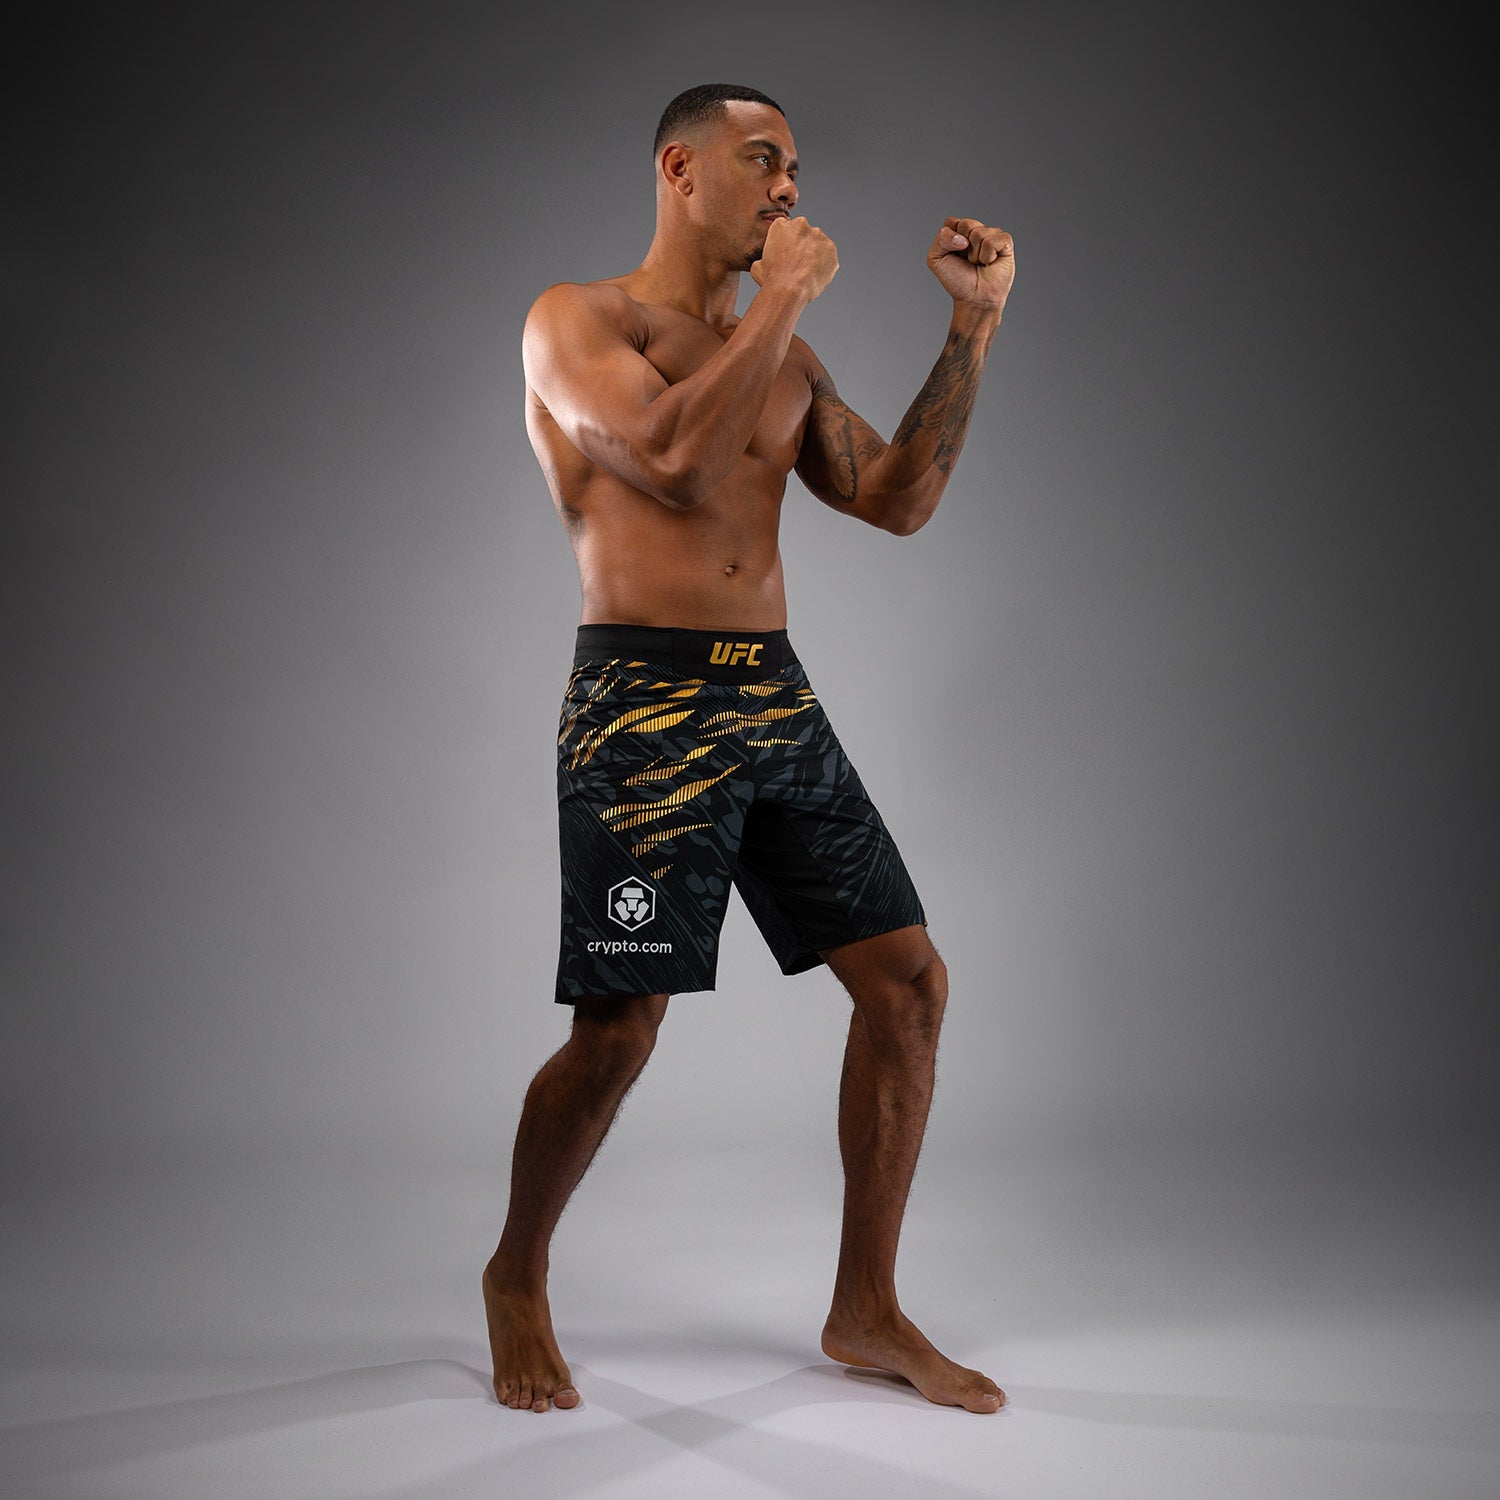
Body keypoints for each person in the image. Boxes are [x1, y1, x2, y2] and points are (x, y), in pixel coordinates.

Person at [483, 83, 1014, 1415]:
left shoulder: (786, 357)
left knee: (909, 985)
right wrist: (781, 299)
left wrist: (973, 324)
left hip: (772, 697)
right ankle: (515, 1275)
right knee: (620, 1030)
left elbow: (897, 500)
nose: (787, 187)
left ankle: (866, 1307)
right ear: (681, 169)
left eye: (795, 168)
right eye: (762, 160)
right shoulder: (577, 321)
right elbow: (667, 459)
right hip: (643, 703)